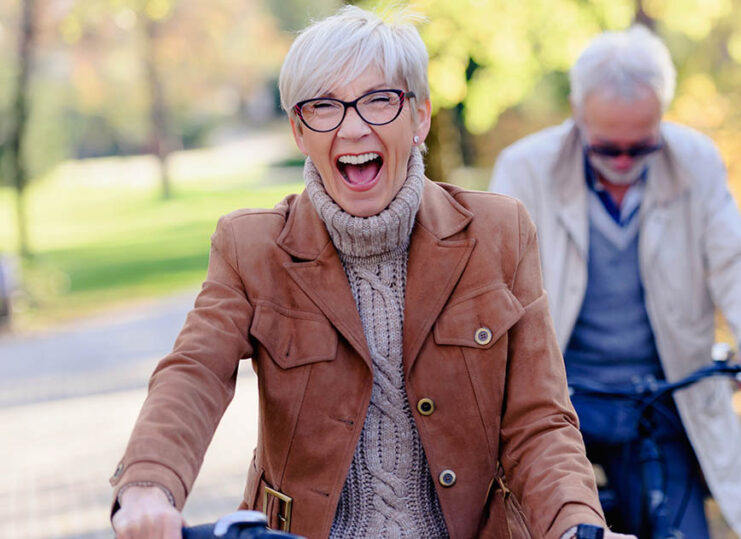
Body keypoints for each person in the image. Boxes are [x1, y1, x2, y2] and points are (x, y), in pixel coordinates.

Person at [110, 7, 634, 539]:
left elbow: (539, 421)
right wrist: (149, 486)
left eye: (379, 100)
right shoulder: (251, 247)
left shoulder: (500, 233)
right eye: (324, 107)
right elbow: (193, 374)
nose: (353, 127)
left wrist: (577, 525)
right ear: (298, 129)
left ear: (421, 117)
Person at [489, 25, 741, 539]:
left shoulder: (695, 161)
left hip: (660, 399)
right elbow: (490, 284)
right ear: (577, 113)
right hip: (557, 401)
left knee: (681, 531)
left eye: (643, 147)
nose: (626, 162)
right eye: (609, 149)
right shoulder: (525, 169)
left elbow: (737, 261)